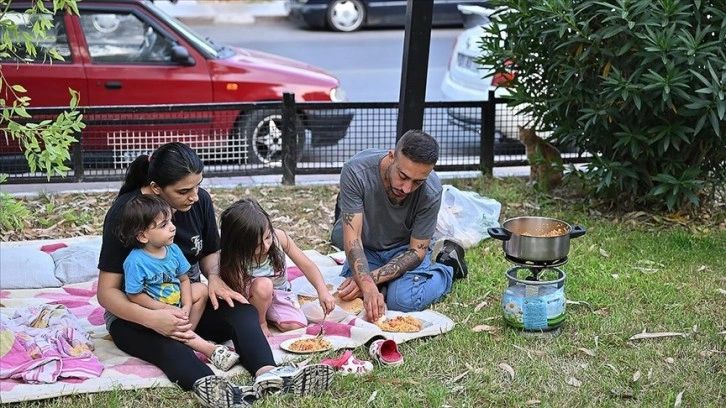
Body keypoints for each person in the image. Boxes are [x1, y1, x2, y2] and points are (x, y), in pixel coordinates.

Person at [97, 142, 334, 408]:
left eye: (197, 186)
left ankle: (270, 374)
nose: (195, 197)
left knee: (242, 311)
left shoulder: (199, 202)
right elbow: (107, 293)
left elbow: (210, 254)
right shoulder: (127, 213)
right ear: (156, 188)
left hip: (189, 305)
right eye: (184, 191)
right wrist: (153, 319)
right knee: (169, 346)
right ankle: (219, 390)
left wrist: (215, 279)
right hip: (136, 315)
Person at [330, 130, 468, 322]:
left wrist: (369, 282)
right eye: (402, 176)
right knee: (350, 294)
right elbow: (353, 240)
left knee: (402, 301)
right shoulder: (356, 172)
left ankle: (448, 268)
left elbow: (416, 251)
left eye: (417, 182)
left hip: (404, 249)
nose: (407, 188)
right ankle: (388, 285)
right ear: (391, 157)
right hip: (368, 248)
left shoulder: (431, 190)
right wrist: (368, 286)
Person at [117, 194, 239, 371]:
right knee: (171, 319)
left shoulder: (173, 250)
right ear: (143, 236)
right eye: (164, 225)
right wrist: (163, 308)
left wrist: (187, 304)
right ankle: (210, 350)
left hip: (177, 302)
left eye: (171, 221)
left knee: (201, 289)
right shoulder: (135, 262)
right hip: (156, 309)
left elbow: (184, 279)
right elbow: (134, 296)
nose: (173, 228)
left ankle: (186, 333)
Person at [218, 197, 335, 337]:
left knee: (295, 325)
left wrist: (323, 291)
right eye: (257, 245)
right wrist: (257, 318)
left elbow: (307, 265)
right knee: (264, 286)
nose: (265, 246)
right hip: (250, 295)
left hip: (278, 292)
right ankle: (260, 321)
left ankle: (268, 312)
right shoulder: (235, 255)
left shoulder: (279, 238)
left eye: (268, 237)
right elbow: (237, 291)